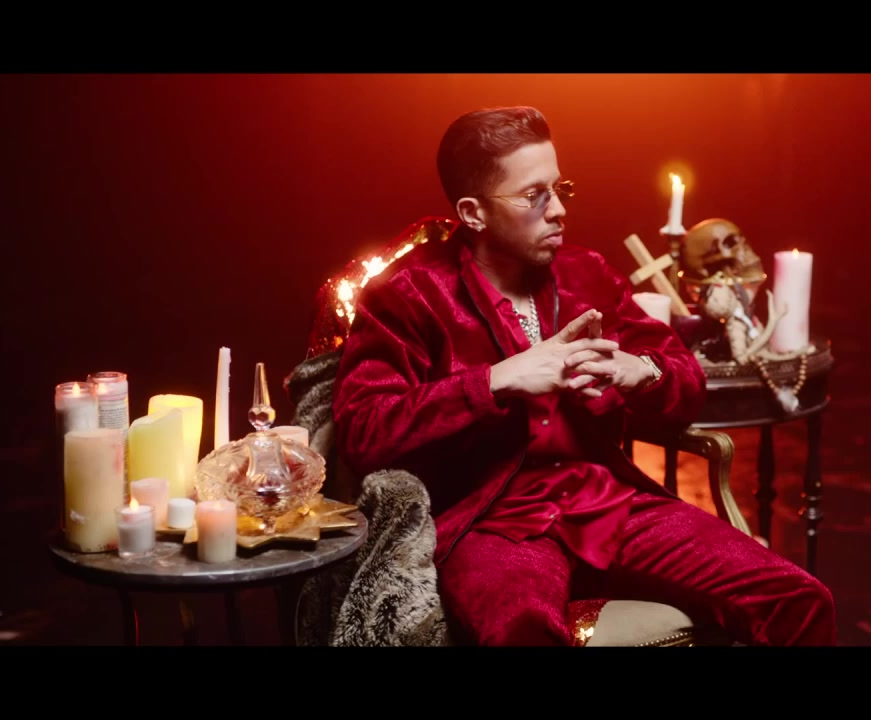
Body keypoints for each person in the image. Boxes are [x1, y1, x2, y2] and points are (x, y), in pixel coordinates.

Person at [332, 105, 835, 646]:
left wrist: (641, 371)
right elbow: (364, 431)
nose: (558, 211)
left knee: (798, 599)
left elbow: (686, 380)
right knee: (523, 629)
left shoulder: (586, 273)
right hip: (492, 526)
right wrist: (495, 381)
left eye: (560, 189)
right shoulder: (409, 294)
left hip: (608, 505)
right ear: (473, 213)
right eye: (534, 195)